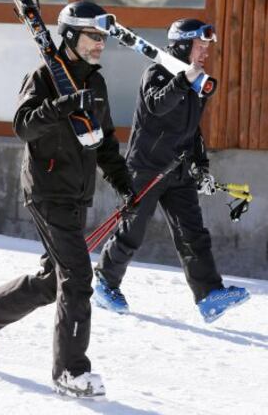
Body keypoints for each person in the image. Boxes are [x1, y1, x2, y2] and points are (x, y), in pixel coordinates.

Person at [0, 1, 135, 398]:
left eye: (103, 37)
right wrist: (62, 106)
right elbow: (23, 126)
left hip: (75, 193)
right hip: (48, 189)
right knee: (78, 276)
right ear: (70, 36)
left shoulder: (95, 84)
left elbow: (102, 142)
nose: (100, 44)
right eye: (93, 36)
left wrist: (124, 183)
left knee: (55, 279)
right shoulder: (43, 77)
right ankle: (70, 370)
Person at [94, 18, 250, 323]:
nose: (205, 51)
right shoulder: (157, 73)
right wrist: (183, 79)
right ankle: (105, 283)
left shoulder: (196, 82)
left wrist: (201, 165)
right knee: (133, 231)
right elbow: (157, 105)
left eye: (207, 46)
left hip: (178, 169)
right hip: (145, 168)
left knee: (193, 233)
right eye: (199, 45)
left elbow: (192, 130)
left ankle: (209, 295)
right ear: (181, 44)